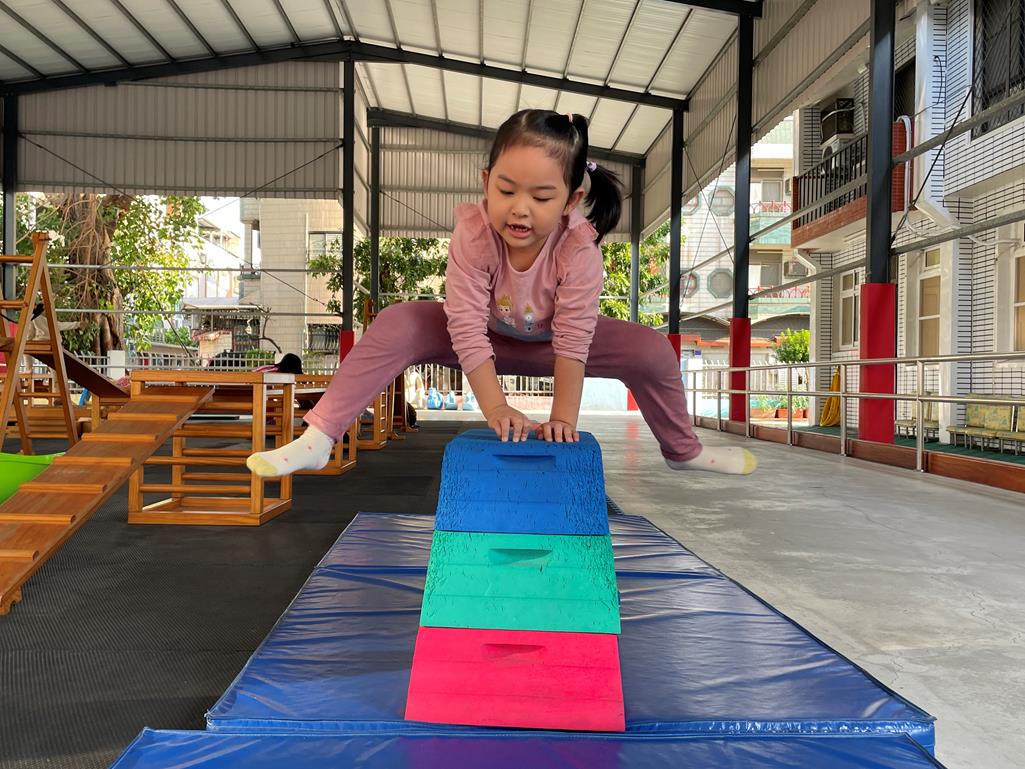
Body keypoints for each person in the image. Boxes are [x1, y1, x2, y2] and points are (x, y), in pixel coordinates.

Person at [247, 109, 756, 477]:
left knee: (651, 349)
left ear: (571, 199)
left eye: (542, 196)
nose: (520, 208)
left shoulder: (578, 250)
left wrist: (562, 419)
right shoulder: (474, 234)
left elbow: (575, 340)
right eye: (506, 190)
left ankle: (682, 449)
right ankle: (320, 436)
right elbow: (465, 326)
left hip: (554, 346)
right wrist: (496, 409)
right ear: (486, 182)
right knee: (397, 320)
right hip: (483, 340)